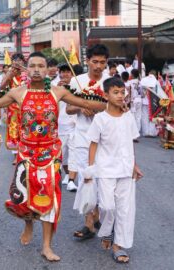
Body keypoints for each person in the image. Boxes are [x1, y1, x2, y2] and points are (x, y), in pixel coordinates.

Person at [0, 52, 106, 261]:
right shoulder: (18, 92)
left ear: (49, 69)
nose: (37, 69)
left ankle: (47, 246)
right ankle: (28, 223)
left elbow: (90, 104)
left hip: (50, 155)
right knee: (24, 196)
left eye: (41, 65)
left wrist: (106, 102)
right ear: (27, 69)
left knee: (50, 199)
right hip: (26, 154)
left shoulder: (58, 92)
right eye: (33, 66)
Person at [85, 77, 143, 263]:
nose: (120, 96)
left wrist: (134, 165)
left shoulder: (129, 117)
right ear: (106, 95)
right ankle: (108, 229)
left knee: (125, 210)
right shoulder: (100, 119)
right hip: (105, 170)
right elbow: (93, 145)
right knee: (107, 206)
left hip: (126, 169)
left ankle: (119, 245)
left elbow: (130, 143)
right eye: (115, 92)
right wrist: (90, 171)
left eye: (122, 92)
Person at [67, 44, 109, 240]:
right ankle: (88, 222)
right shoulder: (78, 82)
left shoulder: (111, 82)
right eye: (95, 61)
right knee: (86, 179)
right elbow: (68, 108)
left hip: (106, 141)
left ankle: (99, 216)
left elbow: (120, 108)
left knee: (103, 181)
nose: (98, 66)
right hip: (83, 138)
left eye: (102, 62)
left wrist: (99, 108)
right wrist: (81, 107)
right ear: (87, 61)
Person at [53, 63, 78, 192]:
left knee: (74, 153)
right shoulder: (54, 86)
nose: (65, 74)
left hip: (75, 125)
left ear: (72, 73)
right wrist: (56, 92)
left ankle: (71, 181)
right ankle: (66, 173)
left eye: (68, 72)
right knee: (62, 154)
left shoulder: (78, 85)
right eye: (62, 72)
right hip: (60, 125)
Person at [0, 53, 27, 165]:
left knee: (26, 131)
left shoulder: (27, 74)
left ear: (23, 62)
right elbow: (2, 87)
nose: (17, 62)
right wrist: (9, 75)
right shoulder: (10, 74)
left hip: (26, 108)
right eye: (15, 60)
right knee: (14, 132)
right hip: (13, 109)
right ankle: (16, 156)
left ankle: (25, 155)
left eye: (20, 60)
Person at [140, 70, 159, 137]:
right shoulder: (156, 81)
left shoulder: (143, 80)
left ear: (149, 73)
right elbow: (158, 92)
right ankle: (152, 132)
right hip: (153, 101)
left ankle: (145, 132)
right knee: (152, 116)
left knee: (144, 116)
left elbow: (140, 90)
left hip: (144, 101)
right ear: (155, 75)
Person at [129, 69, 142, 135]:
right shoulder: (140, 82)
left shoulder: (130, 82)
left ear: (133, 75)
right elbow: (142, 93)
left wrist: (130, 100)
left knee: (133, 116)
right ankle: (137, 131)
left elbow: (130, 92)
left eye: (131, 74)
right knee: (138, 116)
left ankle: (133, 133)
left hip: (133, 100)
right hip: (139, 99)